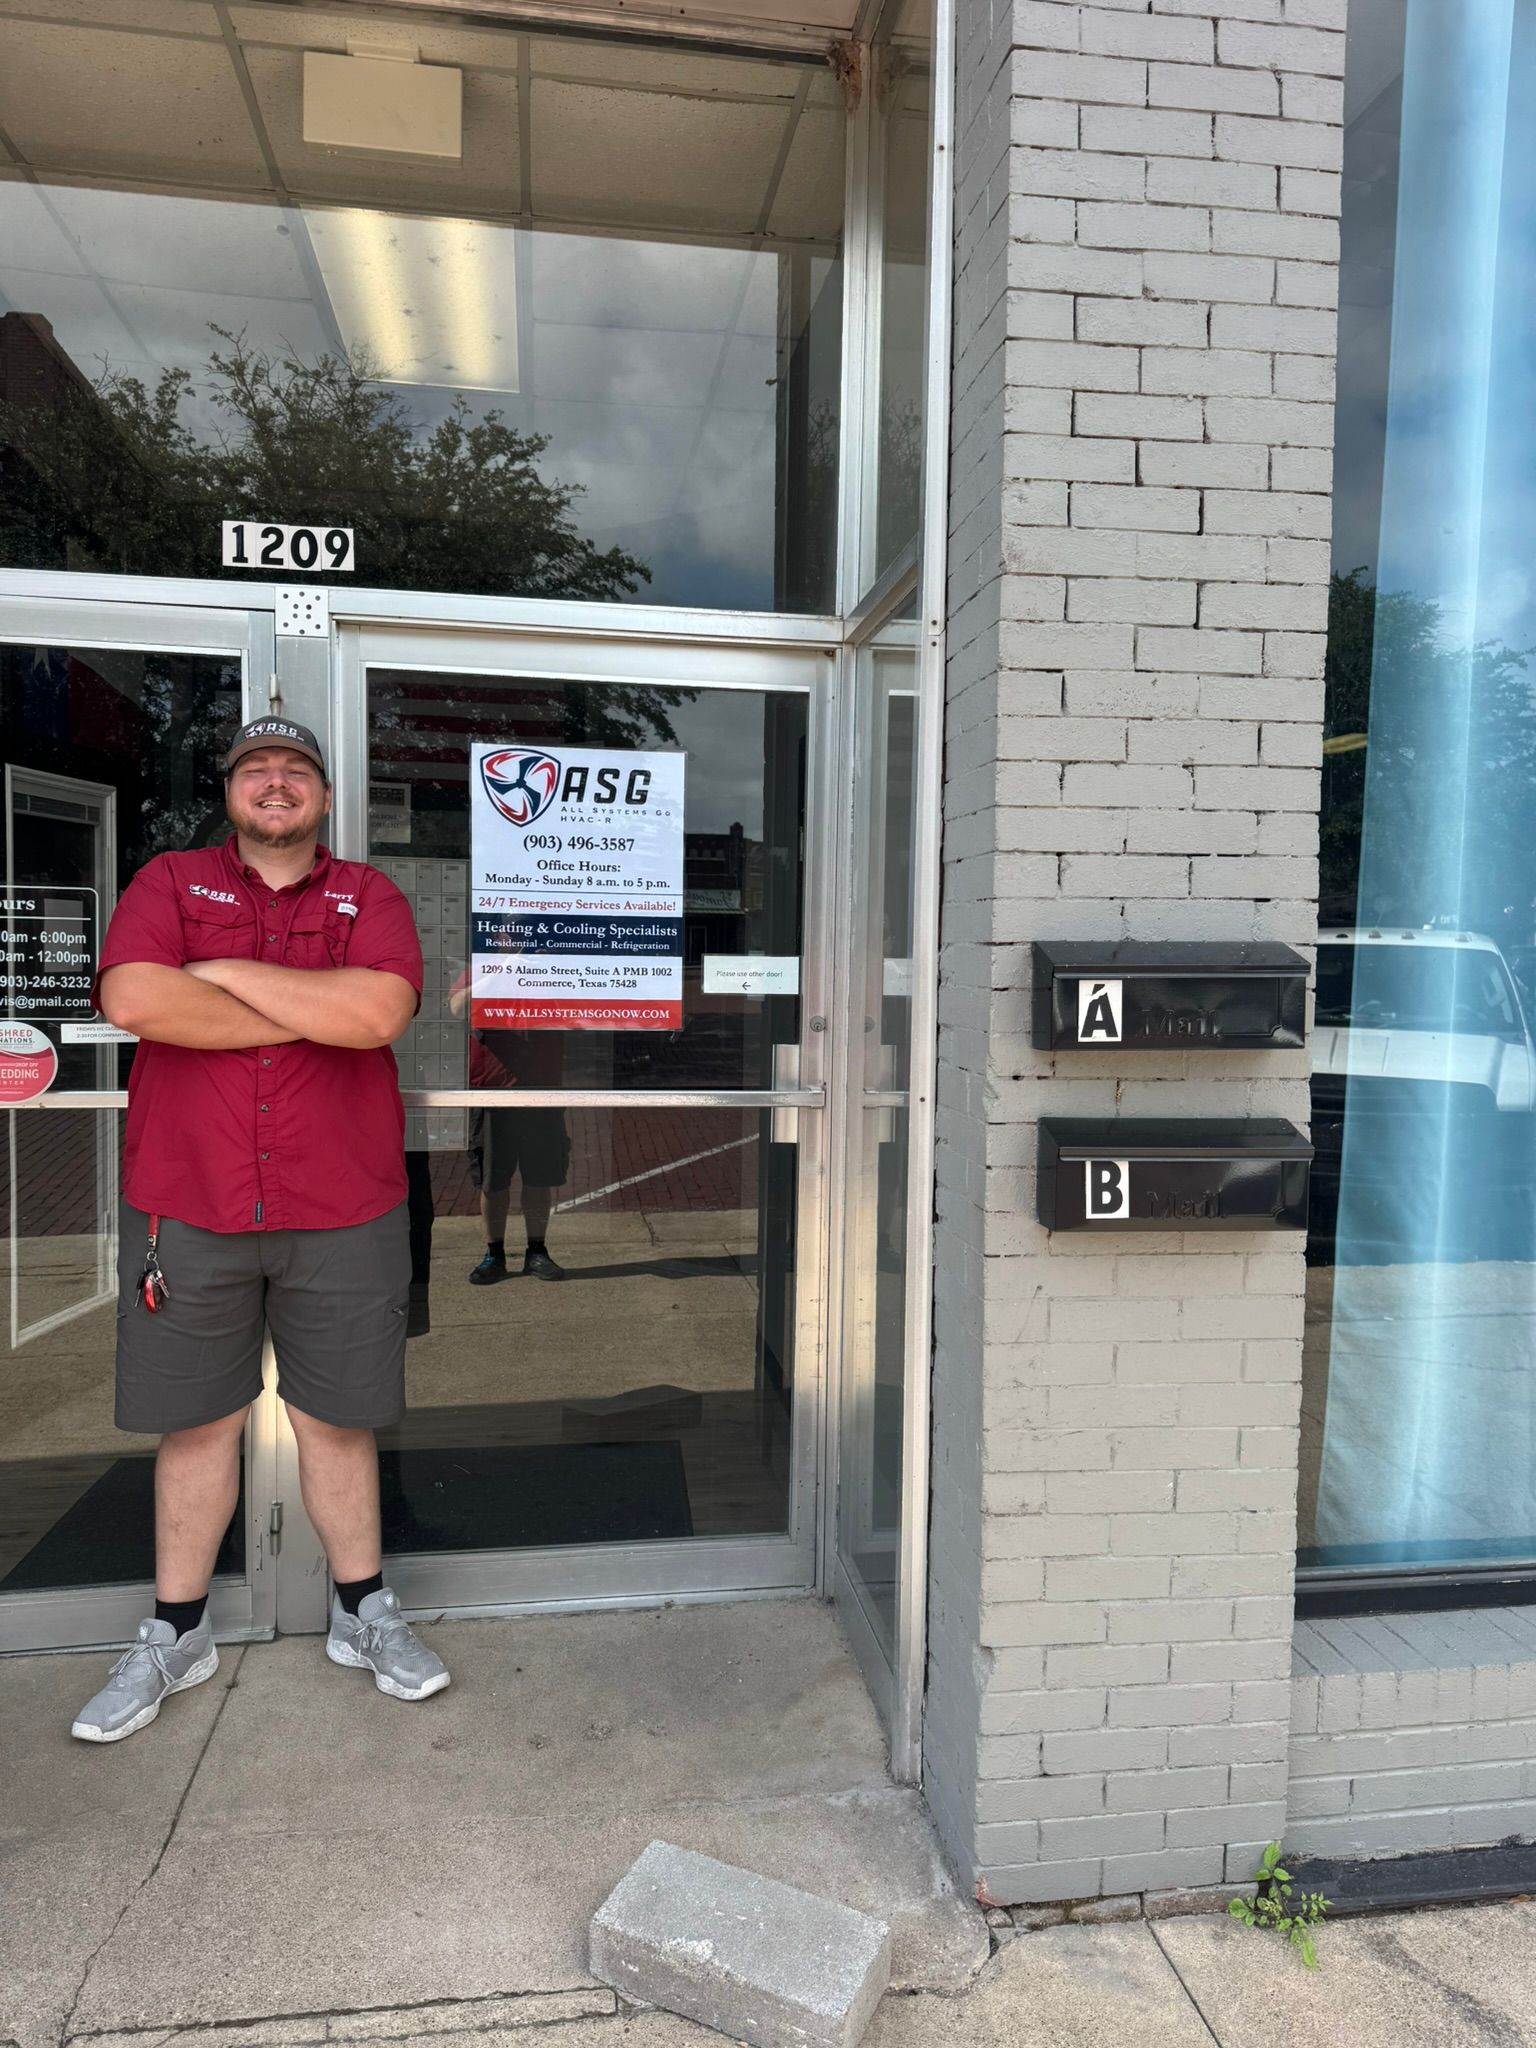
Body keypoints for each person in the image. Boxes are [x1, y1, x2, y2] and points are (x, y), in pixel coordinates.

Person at [71, 717, 450, 1744]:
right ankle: (176, 1633)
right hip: (189, 1202)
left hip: (344, 1206)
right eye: (255, 769)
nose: (275, 783)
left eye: (295, 770)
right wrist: (314, 1008)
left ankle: (361, 1612)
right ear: (231, 790)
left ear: (322, 795)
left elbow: (378, 1015)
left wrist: (219, 973)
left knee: (338, 1419)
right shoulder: (168, 881)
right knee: (198, 1423)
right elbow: (134, 994)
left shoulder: (368, 894)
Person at [447, 969, 569, 1283]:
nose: (515, 944)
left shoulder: (552, 967)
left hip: (541, 1088)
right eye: (508, 941)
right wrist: (503, 970)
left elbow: (582, 1006)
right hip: (492, 1090)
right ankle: (494, 1254)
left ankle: (537, 1251)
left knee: (539, 1177)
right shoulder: (482, 968)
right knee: (492, 1180)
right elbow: (457, 1007)